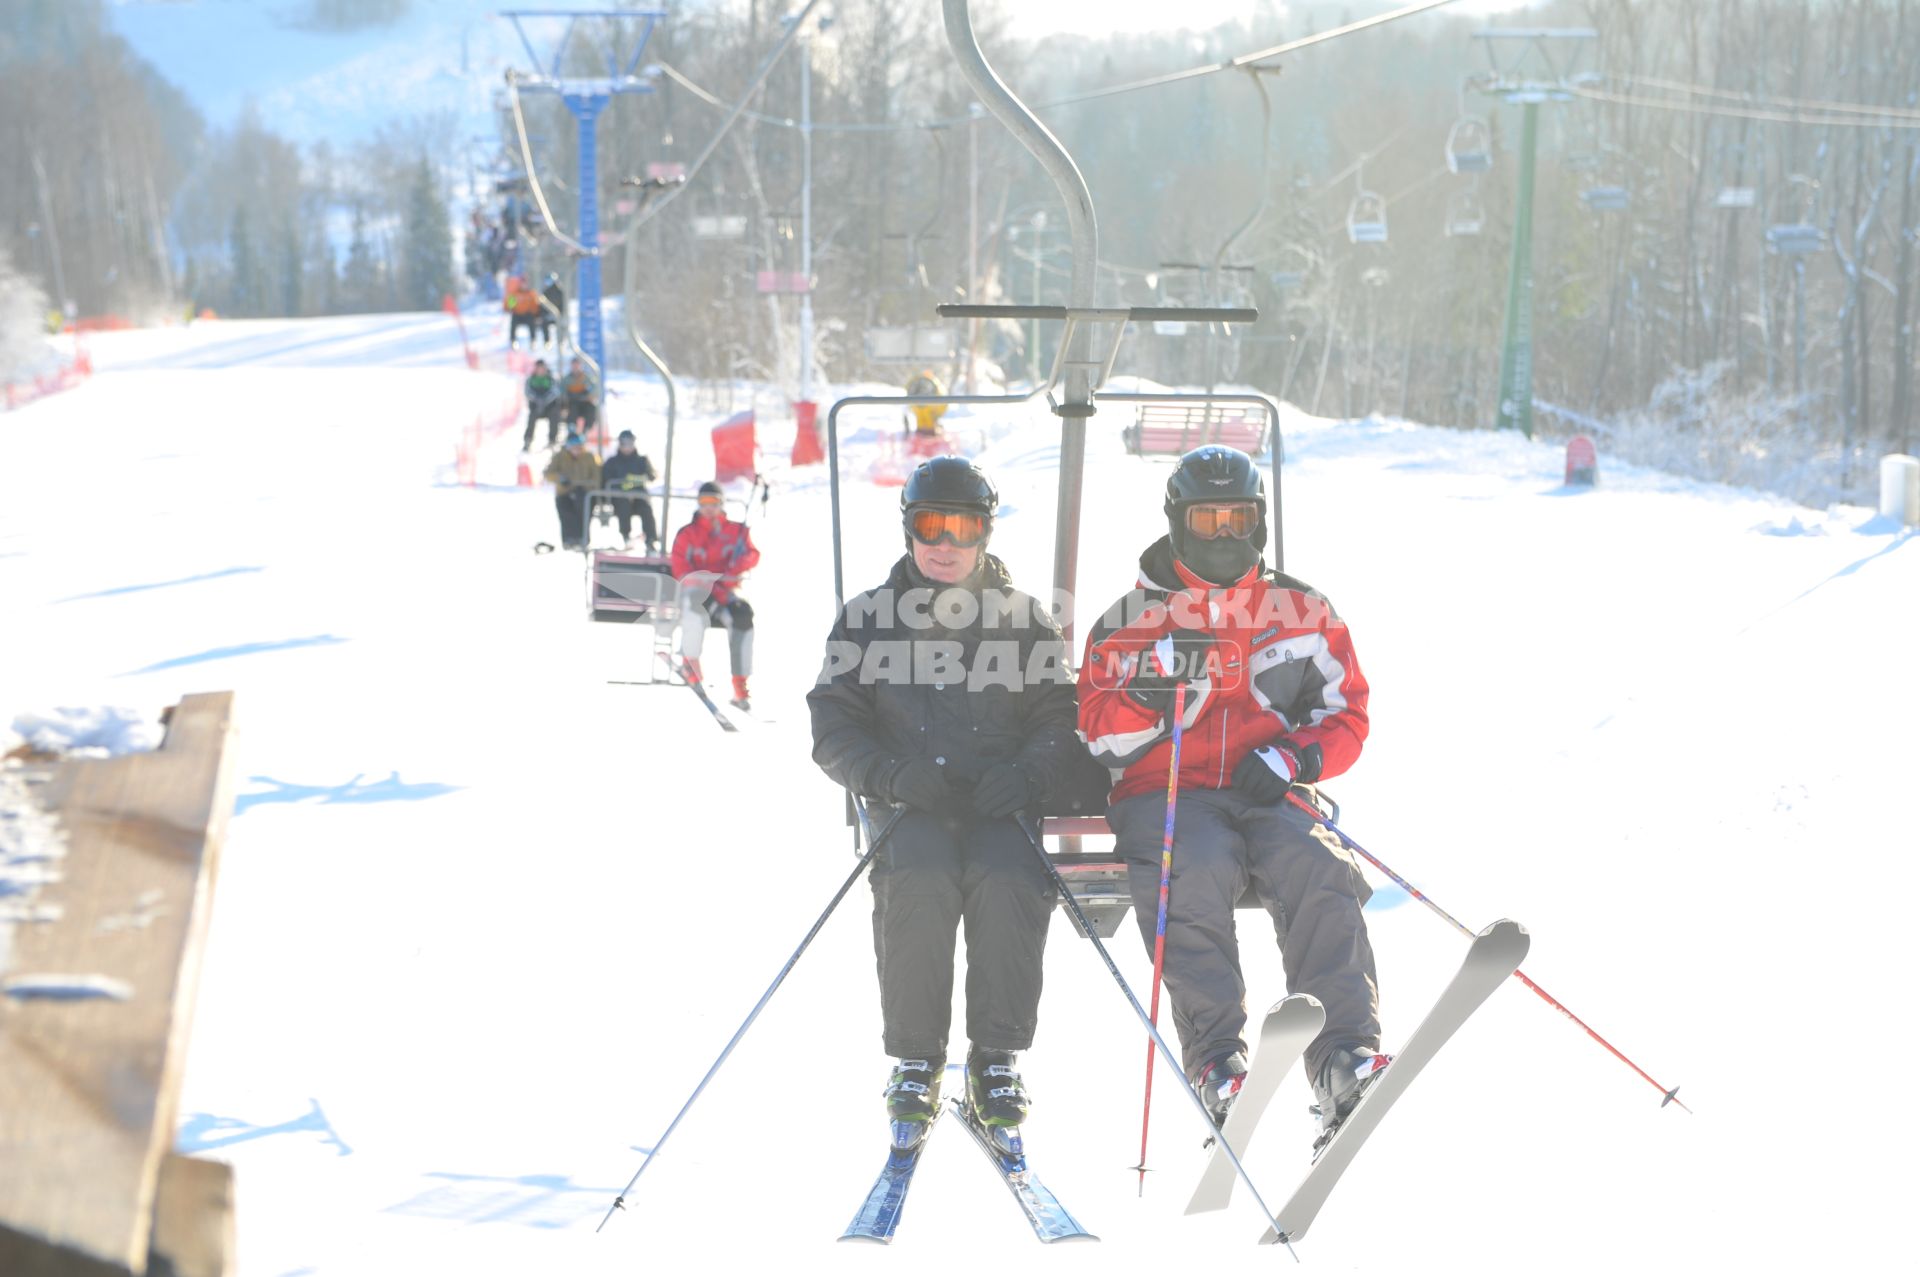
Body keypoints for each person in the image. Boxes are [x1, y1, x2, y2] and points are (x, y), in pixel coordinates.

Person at [1076, 444, 1381, 1146]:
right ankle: (1218, 1061)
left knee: (1319, 864)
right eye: (1207, 518)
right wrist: (1151, 693)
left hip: (1266, 788)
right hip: (1169, 791)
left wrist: (1296, 754)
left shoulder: (1300, 609)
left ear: (1260, 523)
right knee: (1195, 865)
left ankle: (1344, 1056)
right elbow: (1097, 735)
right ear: (1179, 522)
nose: (1223, 534)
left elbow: (1348, 713)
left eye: (1237, 517)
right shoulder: (1129, 618)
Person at [806, 456, 1080, 1149]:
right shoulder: (868, 619)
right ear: (909, 530)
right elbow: (832, 724)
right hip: (911, 804)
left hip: (1000, 803)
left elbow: (1061, 716)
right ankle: (918, 1057)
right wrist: (889, 773)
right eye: (931, 525)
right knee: (919, 879)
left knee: (1009, 877)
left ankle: (994, 1058)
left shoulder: (1023, 620)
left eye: (962, 527)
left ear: (985, 532)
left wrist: (1027, 774)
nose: (946, 542)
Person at [670, 482, 759, 709]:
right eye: (703, 503)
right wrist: (703, 579)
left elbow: (752, 555)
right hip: (698, 590)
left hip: (726, 591)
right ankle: (691, 664)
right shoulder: (688, 534)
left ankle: (740, 682)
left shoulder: (737, 532)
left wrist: (735, 567)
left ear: (721, 504)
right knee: (694, 609)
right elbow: (680, 567)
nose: (708, 508)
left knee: (743, 617)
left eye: (713, 503)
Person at [601, 429, 658, 552]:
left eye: (630, 443)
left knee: (646, 508)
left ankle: (651, 539)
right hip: (620, 498)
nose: (627, 447)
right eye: (624, 444)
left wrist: (644, 477)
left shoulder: (642, 461)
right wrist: (622, 488)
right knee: (623, 506)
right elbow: (606, 481)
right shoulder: (612, 462)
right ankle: (626, 535)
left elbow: (651, 475)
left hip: (639, 497)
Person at [542, 431, 600, 550]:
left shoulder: (590, 457)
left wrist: (586, 486)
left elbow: (597, 477)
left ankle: (582, 539)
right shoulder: (560, 457)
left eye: (579, 447)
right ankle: (569, 540)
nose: (576, 450)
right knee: (566, 512)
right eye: (574, 447)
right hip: (564, 492)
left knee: (583, 510)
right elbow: (548, 473)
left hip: (584, 492)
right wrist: (560, 478)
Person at [522, 359, 564, 450]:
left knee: (554, 415)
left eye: (542, 368)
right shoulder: (531, 379)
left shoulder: (551, 378)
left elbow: (556, 392)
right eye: (539, 368)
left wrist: (545, 400)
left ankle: (552, 439)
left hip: (549, 407)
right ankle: (528, 440)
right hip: (536, 407)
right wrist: (537, 400)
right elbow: (527, 392)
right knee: (531, 418)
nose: (540, 370)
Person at [561, 358, 597, 436]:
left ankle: (586, 430)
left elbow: (594, 390)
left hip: (584, 403)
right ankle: (572, 432)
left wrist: (589, 396)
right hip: (572, 403)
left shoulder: (587, 378)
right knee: (571, 410)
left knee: (592, 408)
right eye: (574, 366)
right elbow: (562, 392)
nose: (575, 368)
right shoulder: (566, 379)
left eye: (577, 366)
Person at [504, 275, 541, 349]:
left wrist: (536, 315)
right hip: (518, 314)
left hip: (527, 315)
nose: (523, 285)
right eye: (522, 284)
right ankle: (513, 340)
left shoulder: (531, 293)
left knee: (532, 322)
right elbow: (510, 305)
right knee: (513, 323)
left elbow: (535, 306)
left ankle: (533, 340)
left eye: (525, 283)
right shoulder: (515, 294)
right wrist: (510, 306)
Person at [541, 272, 565, 346]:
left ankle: (561, 341)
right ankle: (547, 341)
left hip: (558, 315)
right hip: (549, 315)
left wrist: (560, 314)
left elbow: (563, 306)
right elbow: (542, 306)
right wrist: (545, 315)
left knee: (561, 325)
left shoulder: (560, 292)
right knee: (544, 323)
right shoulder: (545, 292)